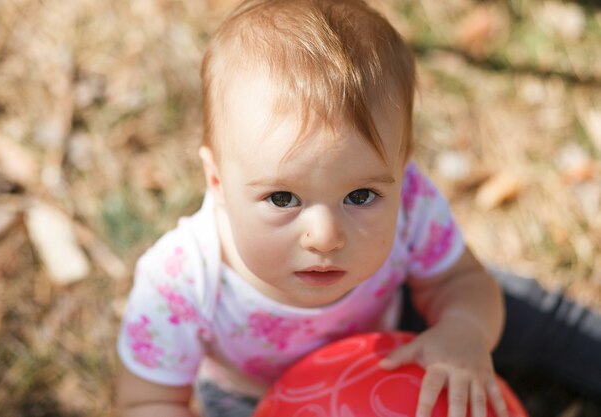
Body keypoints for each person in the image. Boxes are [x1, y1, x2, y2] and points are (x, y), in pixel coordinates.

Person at [115, 1, 601, 416]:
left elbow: (458, 281)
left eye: (361, 196)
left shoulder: (410, 201)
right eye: (282, 198)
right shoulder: (179, 281)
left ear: (402, 169)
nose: (325, 236)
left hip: (395, 333)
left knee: (527, 312)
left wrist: (464, 328)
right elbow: (147, 398)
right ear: (217, 182)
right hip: (255, 394)